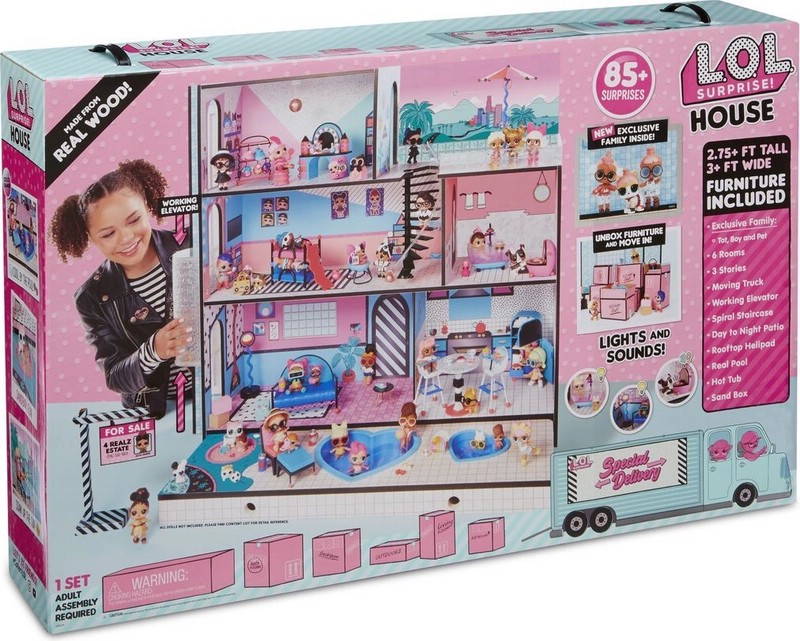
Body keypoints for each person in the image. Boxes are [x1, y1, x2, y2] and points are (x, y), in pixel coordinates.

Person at [49, 159, 192, 419]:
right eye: (108, 234)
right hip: (155, 412)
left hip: (216, 394)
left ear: (147, 205)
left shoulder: (191, 243)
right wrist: (154, 350)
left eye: (134, 220)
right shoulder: (91, 298)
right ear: (90, 237)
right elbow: (115, 376)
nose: (126, 238)